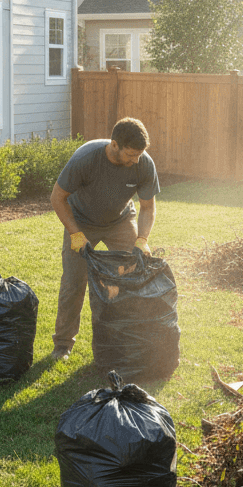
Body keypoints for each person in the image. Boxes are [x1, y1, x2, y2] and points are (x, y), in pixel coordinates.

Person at [49, 117, 159, 360]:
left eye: (139, 154)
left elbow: (148, 208)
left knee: (132, 276)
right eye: (131, 154)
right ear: (114, 144)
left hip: (120, 220)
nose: (136, 160)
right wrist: (76, 234)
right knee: (74, 283)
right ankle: (63, 344)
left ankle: (130, 337)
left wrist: (142, 239)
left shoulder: (143, 164)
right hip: (82, 221)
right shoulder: (85, 159)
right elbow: (57, 197)